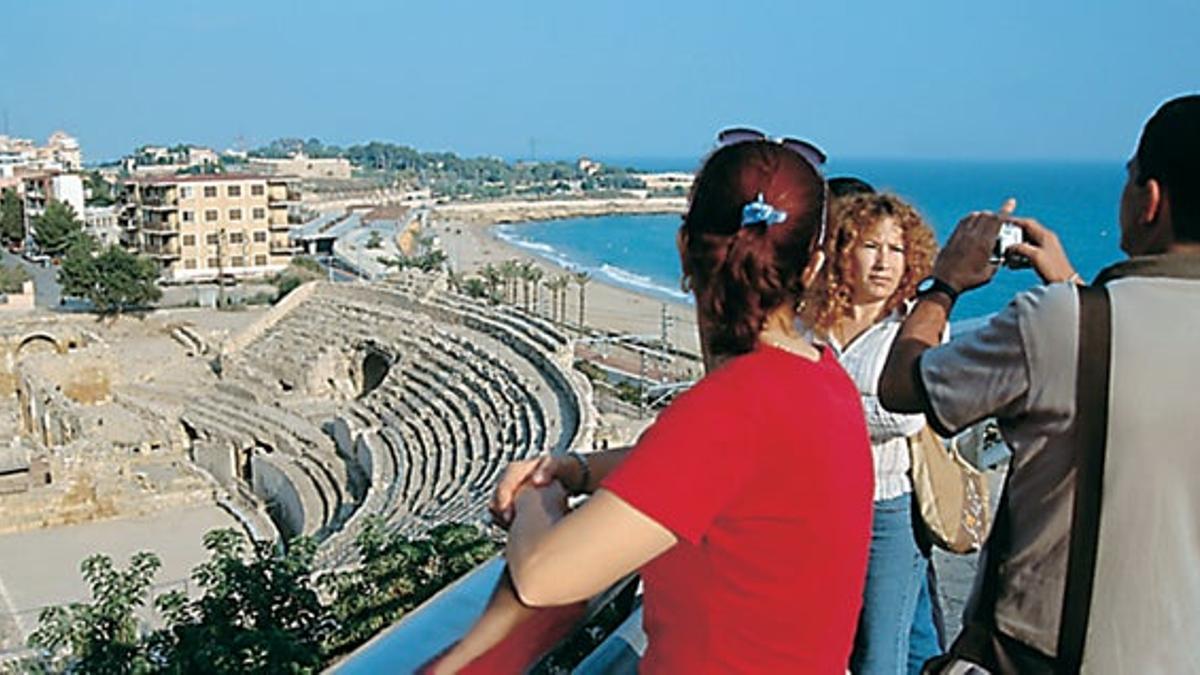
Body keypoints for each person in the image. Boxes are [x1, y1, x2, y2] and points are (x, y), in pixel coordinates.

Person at [436, 132, 875, 673]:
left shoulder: (732, 408)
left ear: (683, 247)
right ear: (811, 267)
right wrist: (574, 469)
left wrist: (535, 495)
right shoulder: (823, 383)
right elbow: (698, 471)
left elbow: (545, 576)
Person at [877, 94, 1200, 673]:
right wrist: (1075, 289)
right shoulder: (1073, 320)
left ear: (1151, 201)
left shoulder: (1059, 324)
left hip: (1047, 655)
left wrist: (944, 285)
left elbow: (903, 385)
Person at [801, 191, 943, 675]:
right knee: (828, 642)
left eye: (896, 249)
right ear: (843, 251)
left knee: (879, 654)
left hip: (887, 507)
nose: (884, 262)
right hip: (814, 505)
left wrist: (817, 407)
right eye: (870, 246)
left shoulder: (917, 327)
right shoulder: (810, 321)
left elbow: (906, 416)